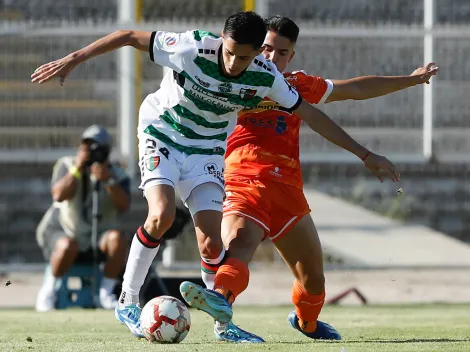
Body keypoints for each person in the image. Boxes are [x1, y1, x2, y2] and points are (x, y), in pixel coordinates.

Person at [32, 11, 398, 338]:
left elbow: (311, 114)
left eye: (245, 57)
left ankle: (224, 326)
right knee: (162, 214)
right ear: (221, 40)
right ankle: (126, 300)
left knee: (211, 244)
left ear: (257, 53)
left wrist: (364, 154)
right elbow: (129, 36)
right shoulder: (189, 47)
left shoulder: (265, 75)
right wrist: (74, 58)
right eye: (230, 52)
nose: (236, 63)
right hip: (163, 134)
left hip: (206, 149)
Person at [179, 16, 438, 342]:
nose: (272, 58)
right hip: (244, 177)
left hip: (287, 187)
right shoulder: (232, 81)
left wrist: (411, 81)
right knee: (242, 240)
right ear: (256, 49)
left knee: (313, 280)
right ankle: (221, 302)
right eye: (267, 49)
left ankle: (307, 323)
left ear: (292, 56)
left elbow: (355, 88)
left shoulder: (297, 86)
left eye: (282, 52)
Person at [35, 125, 131, 312]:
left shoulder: (117, 173)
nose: (93, 151)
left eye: (98, 147)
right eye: (88, 146)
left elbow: (124, 206)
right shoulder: (67, 164)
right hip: (67, 230)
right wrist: (78, 168)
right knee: (66, 245)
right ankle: (48, 290)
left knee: (118, 239)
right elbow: (58, 195)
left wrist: (108, 180)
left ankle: (106, 292)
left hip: (100, 235)